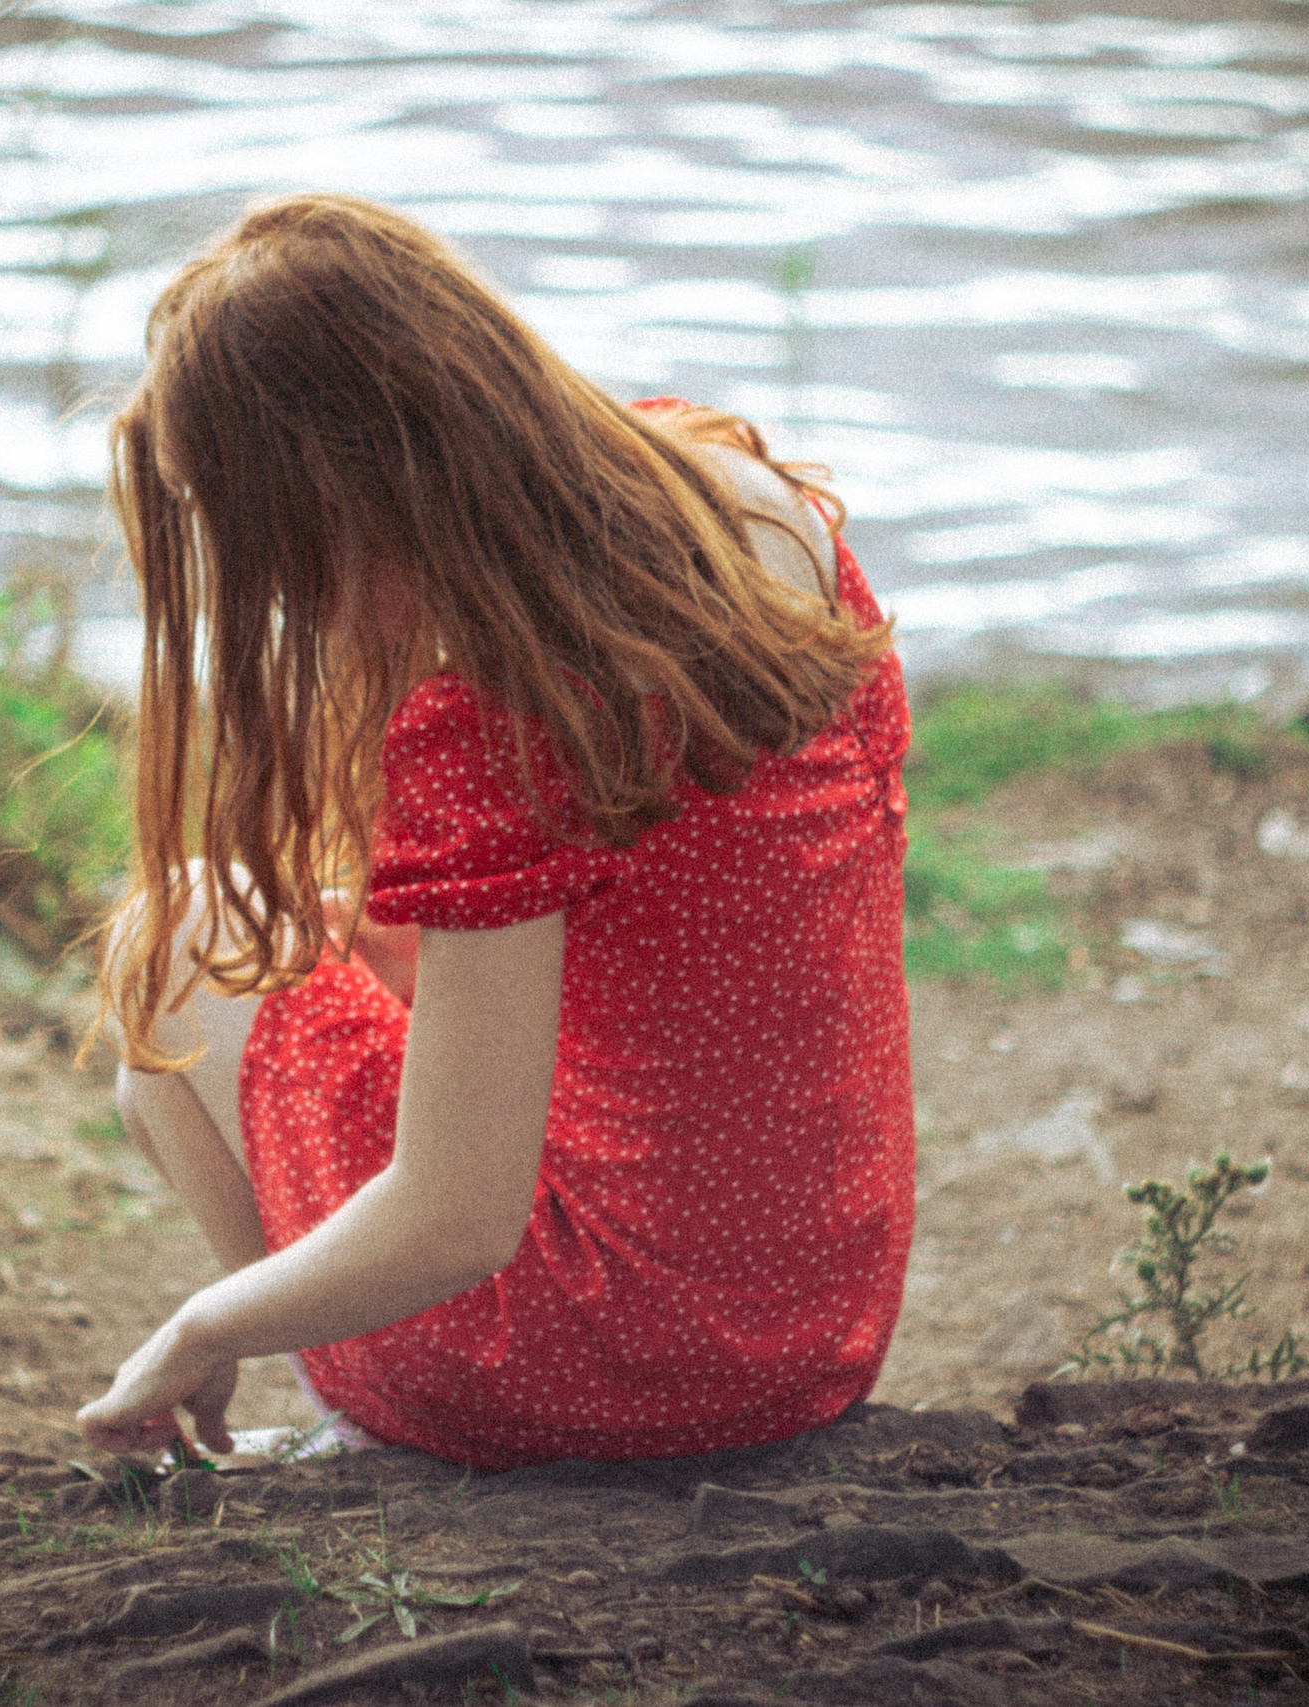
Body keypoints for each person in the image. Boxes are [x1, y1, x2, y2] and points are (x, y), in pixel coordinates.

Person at [76, 194, 913, 1471]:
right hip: (812, 1333)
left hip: (615, 1361)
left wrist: (201, 1326)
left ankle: (358, 1400)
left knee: (183, 935)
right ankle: (366, 1375)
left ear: (339, 501)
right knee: (335, 910)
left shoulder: (503, 720)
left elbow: (458, 1216)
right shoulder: (737, 504)